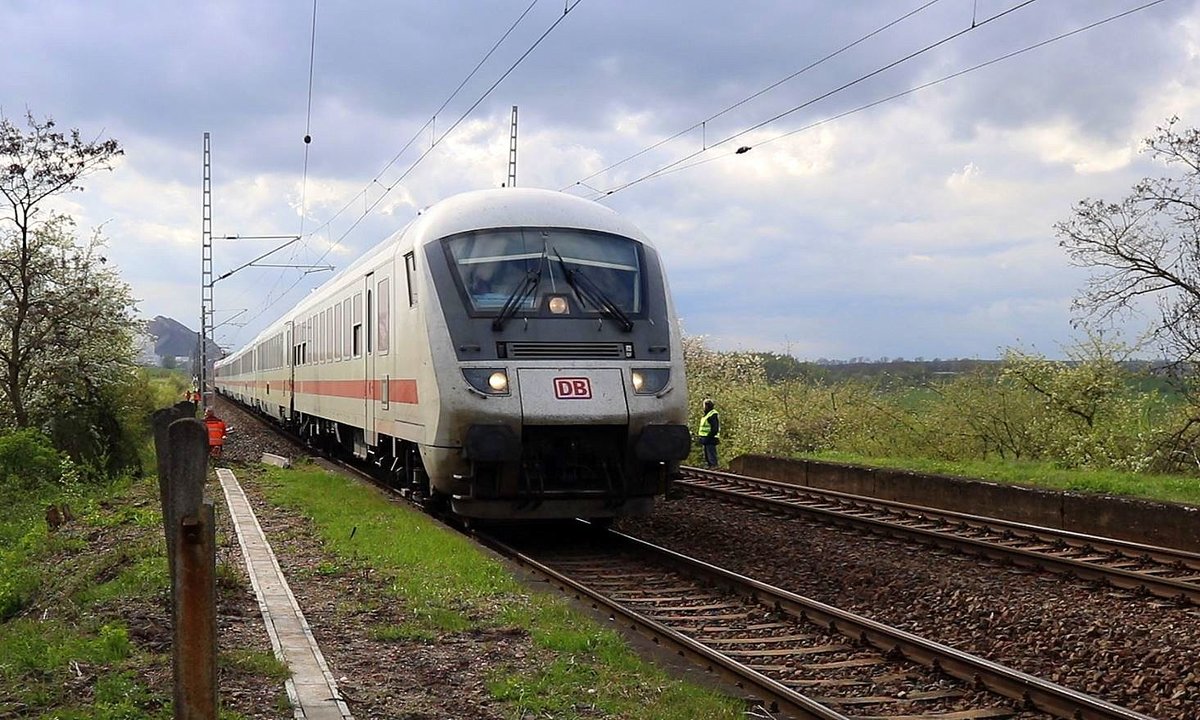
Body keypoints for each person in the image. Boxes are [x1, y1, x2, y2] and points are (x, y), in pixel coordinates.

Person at [696, 398, 720, 468]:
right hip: (706, 438)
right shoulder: (707, 414)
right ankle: (710, 467)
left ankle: (714, 467)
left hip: (710, 438)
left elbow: (714, 429)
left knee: (711, 456)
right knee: (707, 456)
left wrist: (708, 437)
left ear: (707, 406)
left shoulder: (712, 415)